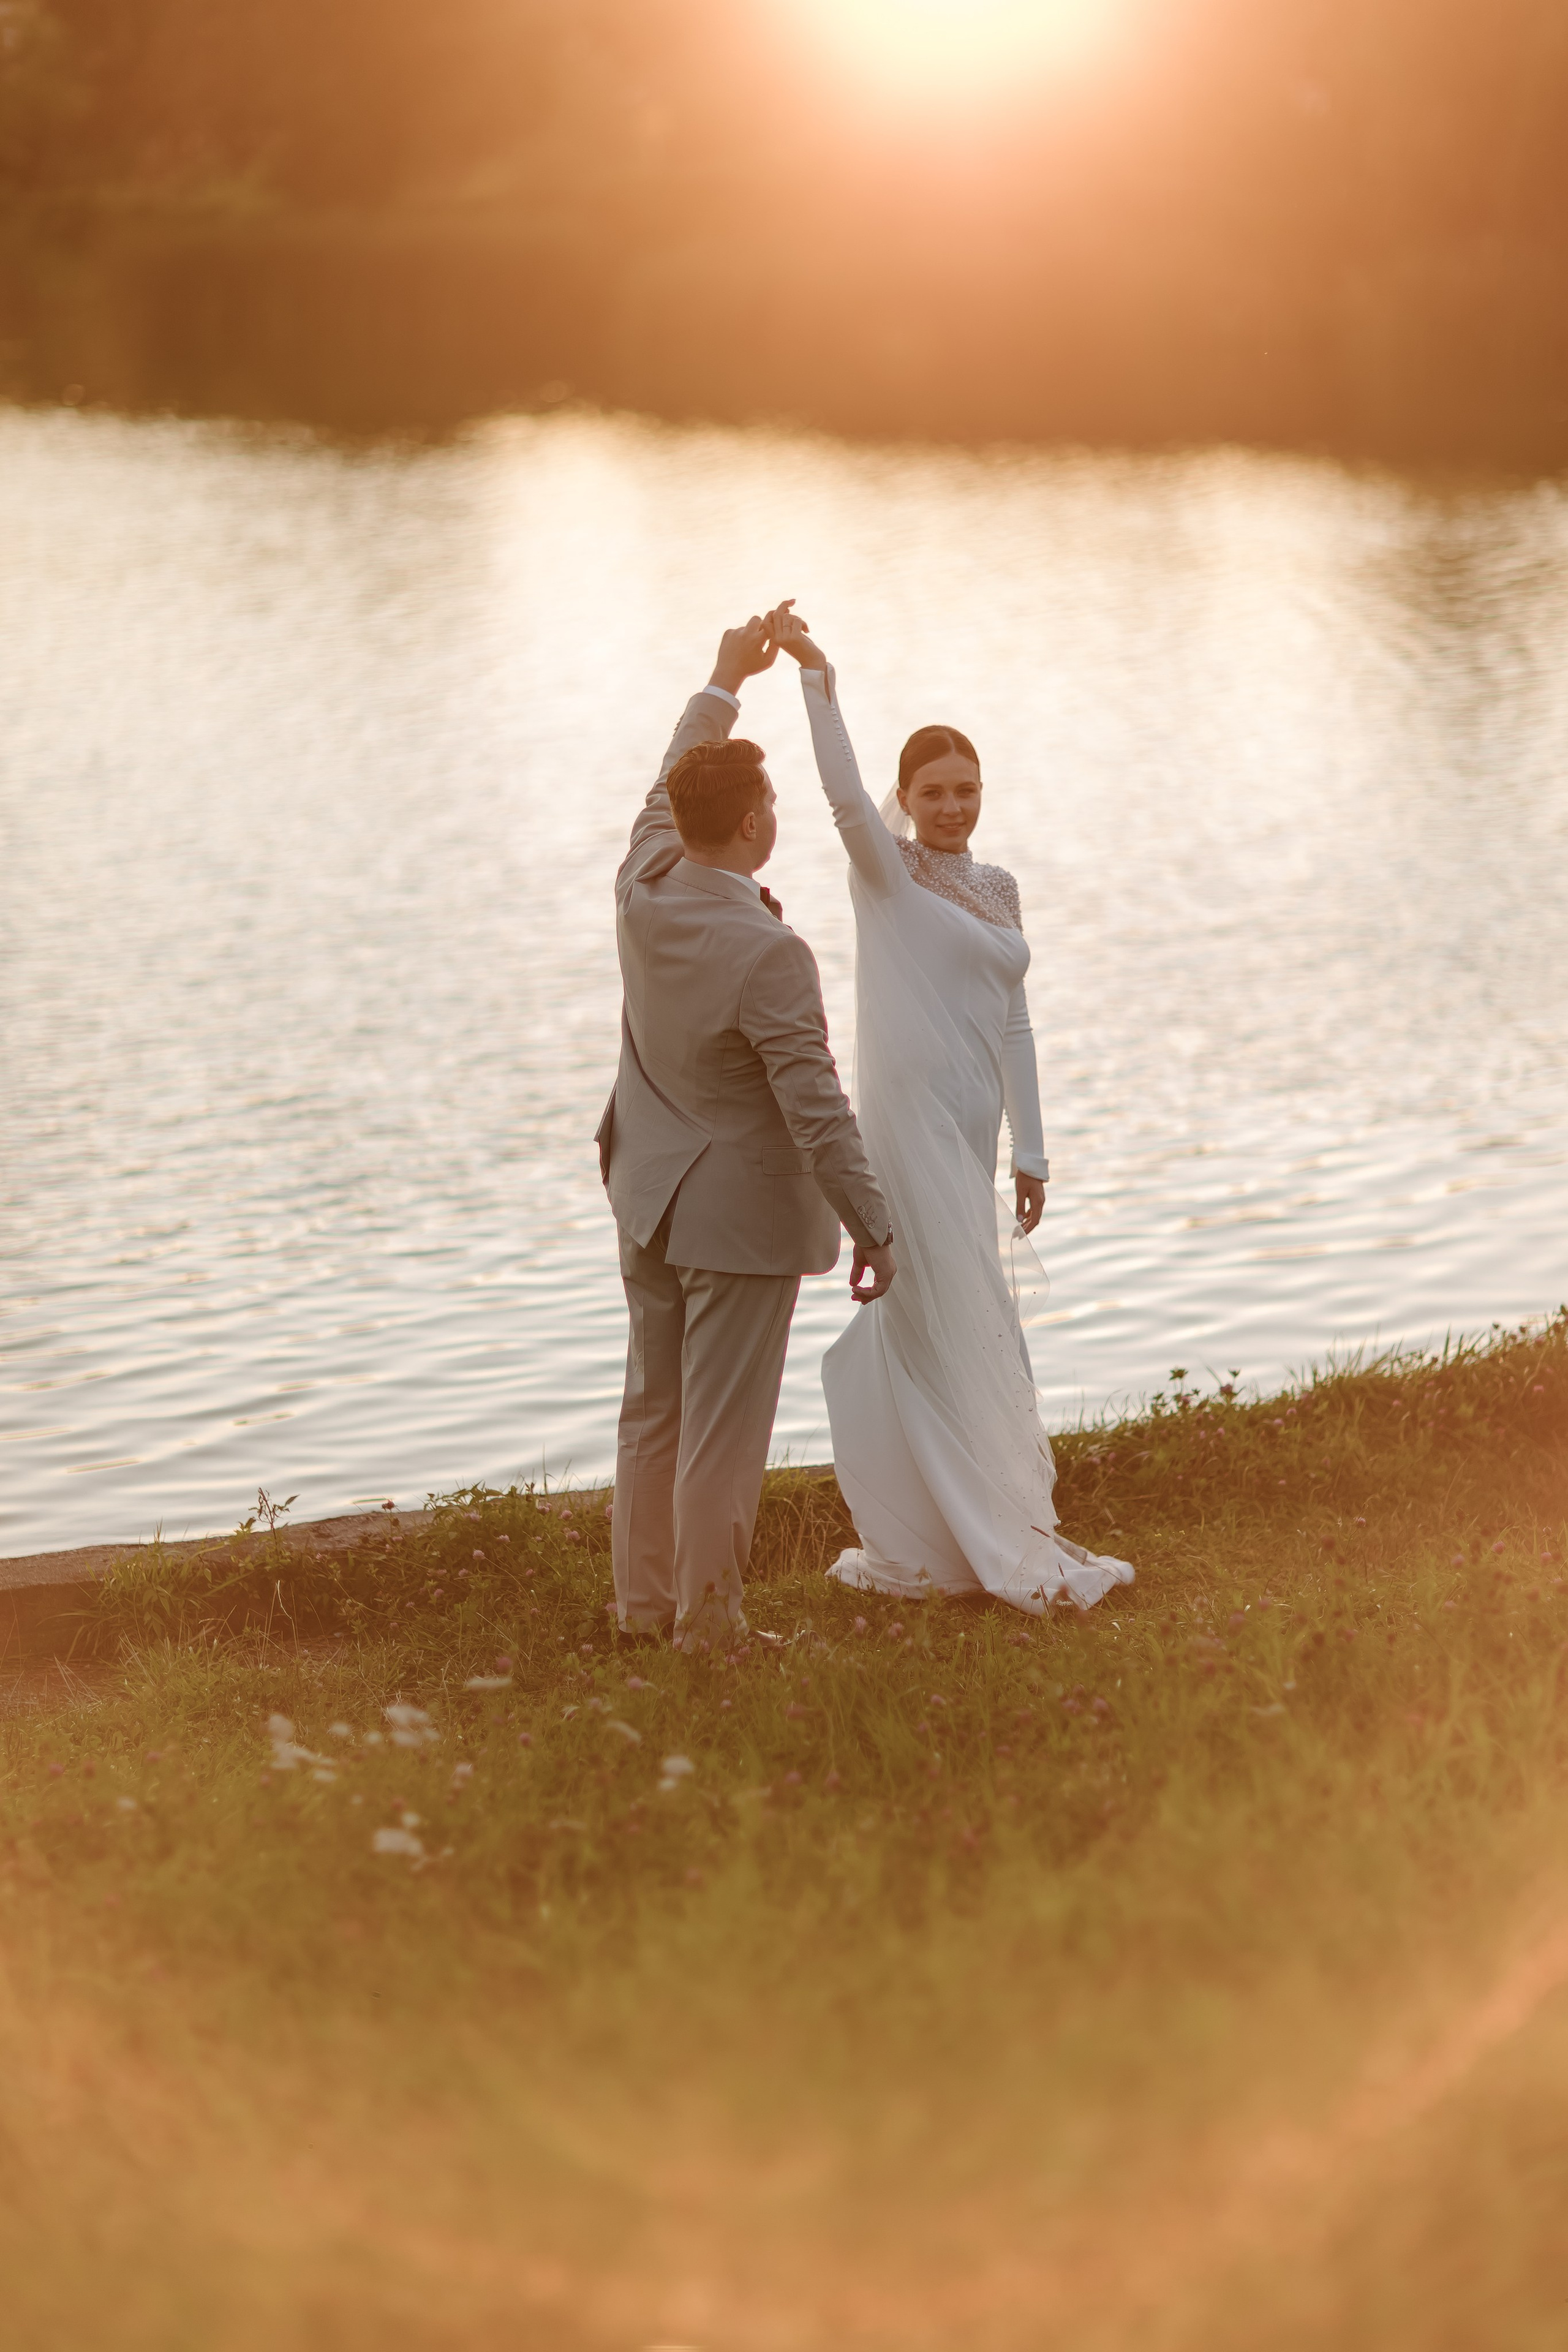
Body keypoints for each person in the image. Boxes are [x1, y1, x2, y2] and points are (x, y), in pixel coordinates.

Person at [768, 600, 1134, 1613]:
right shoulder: (887, 875)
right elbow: (844, 802)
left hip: (974, 1131)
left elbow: (1014, 1022)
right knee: (937, 1309)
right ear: (908, 796)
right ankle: (959, 1537)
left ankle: (974, 1517)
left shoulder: (1000, 887)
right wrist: (816, 682)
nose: (953, 806)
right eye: (934, 791)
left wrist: (1035, 1152)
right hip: (910, 1126)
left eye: (968, 790)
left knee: (978, 1312)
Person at [597, 614, 896, 1648]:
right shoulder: (772, 954)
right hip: (731, 1222)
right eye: (768, 801)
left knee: (652, 1416)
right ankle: (708, 1627)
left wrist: (726, 676)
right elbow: (816, 1108)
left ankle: (644, 1612)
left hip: (646, 1193)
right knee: (721, 1436)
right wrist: (876, 1223)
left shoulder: (642, 881)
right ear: (757, 826)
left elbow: (666, 778)